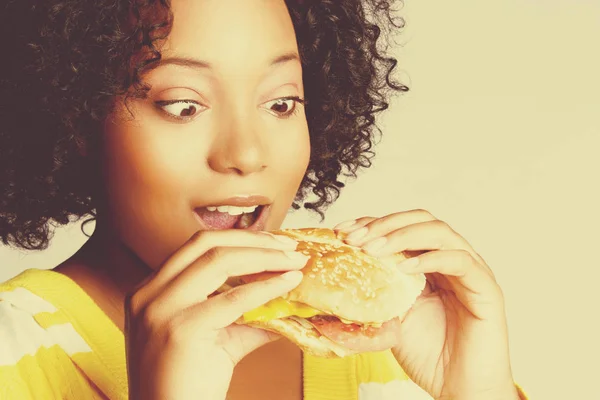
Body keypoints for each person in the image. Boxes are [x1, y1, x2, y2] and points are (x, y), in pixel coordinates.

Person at [0, 0, 528, 399]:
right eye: (183, 106)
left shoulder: (375, 349)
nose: (247, 154)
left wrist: (479, 390)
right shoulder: (15, 350)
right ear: (75, 118)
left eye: (280, 102)